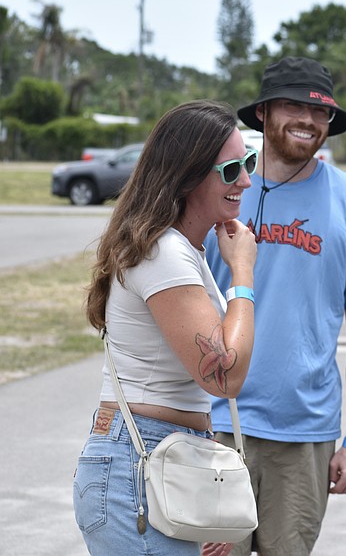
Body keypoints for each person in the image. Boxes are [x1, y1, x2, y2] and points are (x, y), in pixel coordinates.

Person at [202, 57, 346, 556]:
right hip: (215, 423)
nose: (306, 119)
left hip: (304, 432)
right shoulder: (220, 188)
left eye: (318, 111)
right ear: (263, 113)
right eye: (292, 105)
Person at [72, 99, 258, 555]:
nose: (247, 180)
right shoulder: (165, 253)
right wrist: (244, 276)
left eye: (249, 162)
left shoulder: (180, 249)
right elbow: (224, 375)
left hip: (164, 460)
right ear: (189, 174)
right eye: (231, 169)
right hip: (141, 465)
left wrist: (207, 491)